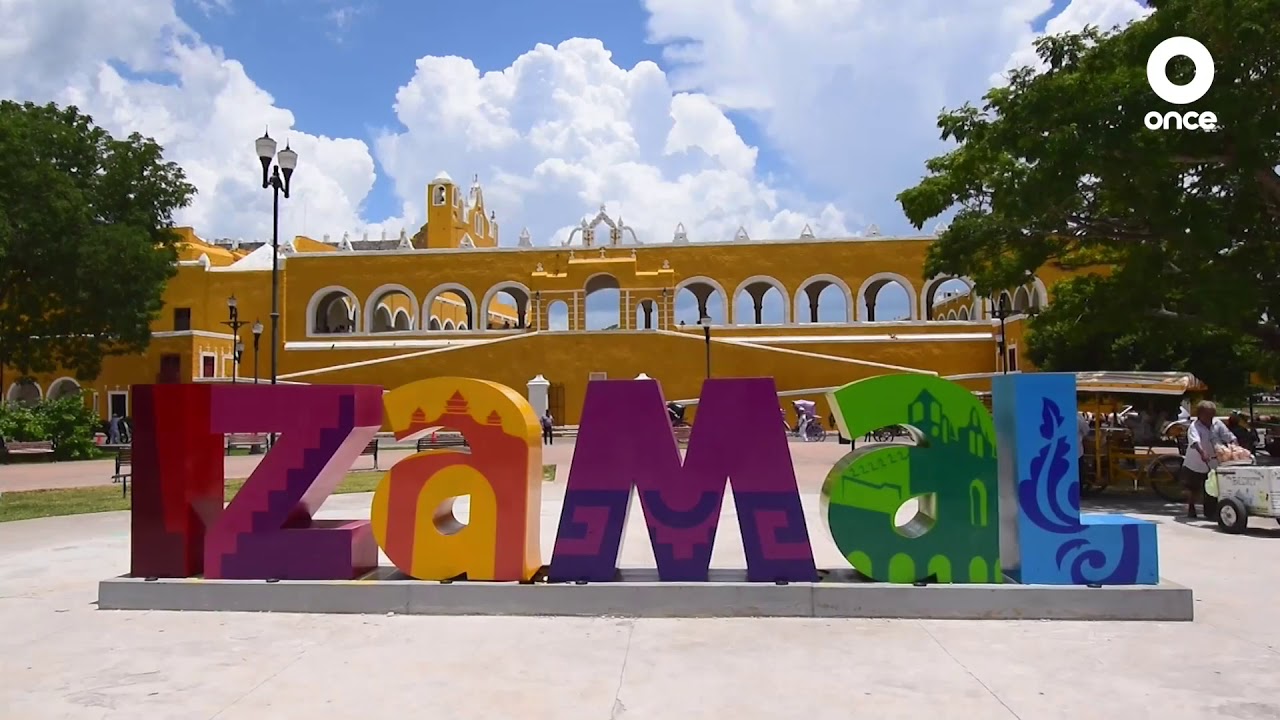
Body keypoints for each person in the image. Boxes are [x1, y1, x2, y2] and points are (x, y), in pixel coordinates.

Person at [1181, 400, 1236, 519]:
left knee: (1212, 488)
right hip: (1195, 462)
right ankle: (1191, 507)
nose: (1210, 418)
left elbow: (1229, 436)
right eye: (1207, 415)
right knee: (1193, 488)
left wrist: (1233, 445)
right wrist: (1202, 452)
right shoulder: (1194, 427)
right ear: (1200, 414)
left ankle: (1210, 512)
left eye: (1212, 415)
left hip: (1214, 461)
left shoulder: (1218, 424)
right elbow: (1195, 442)